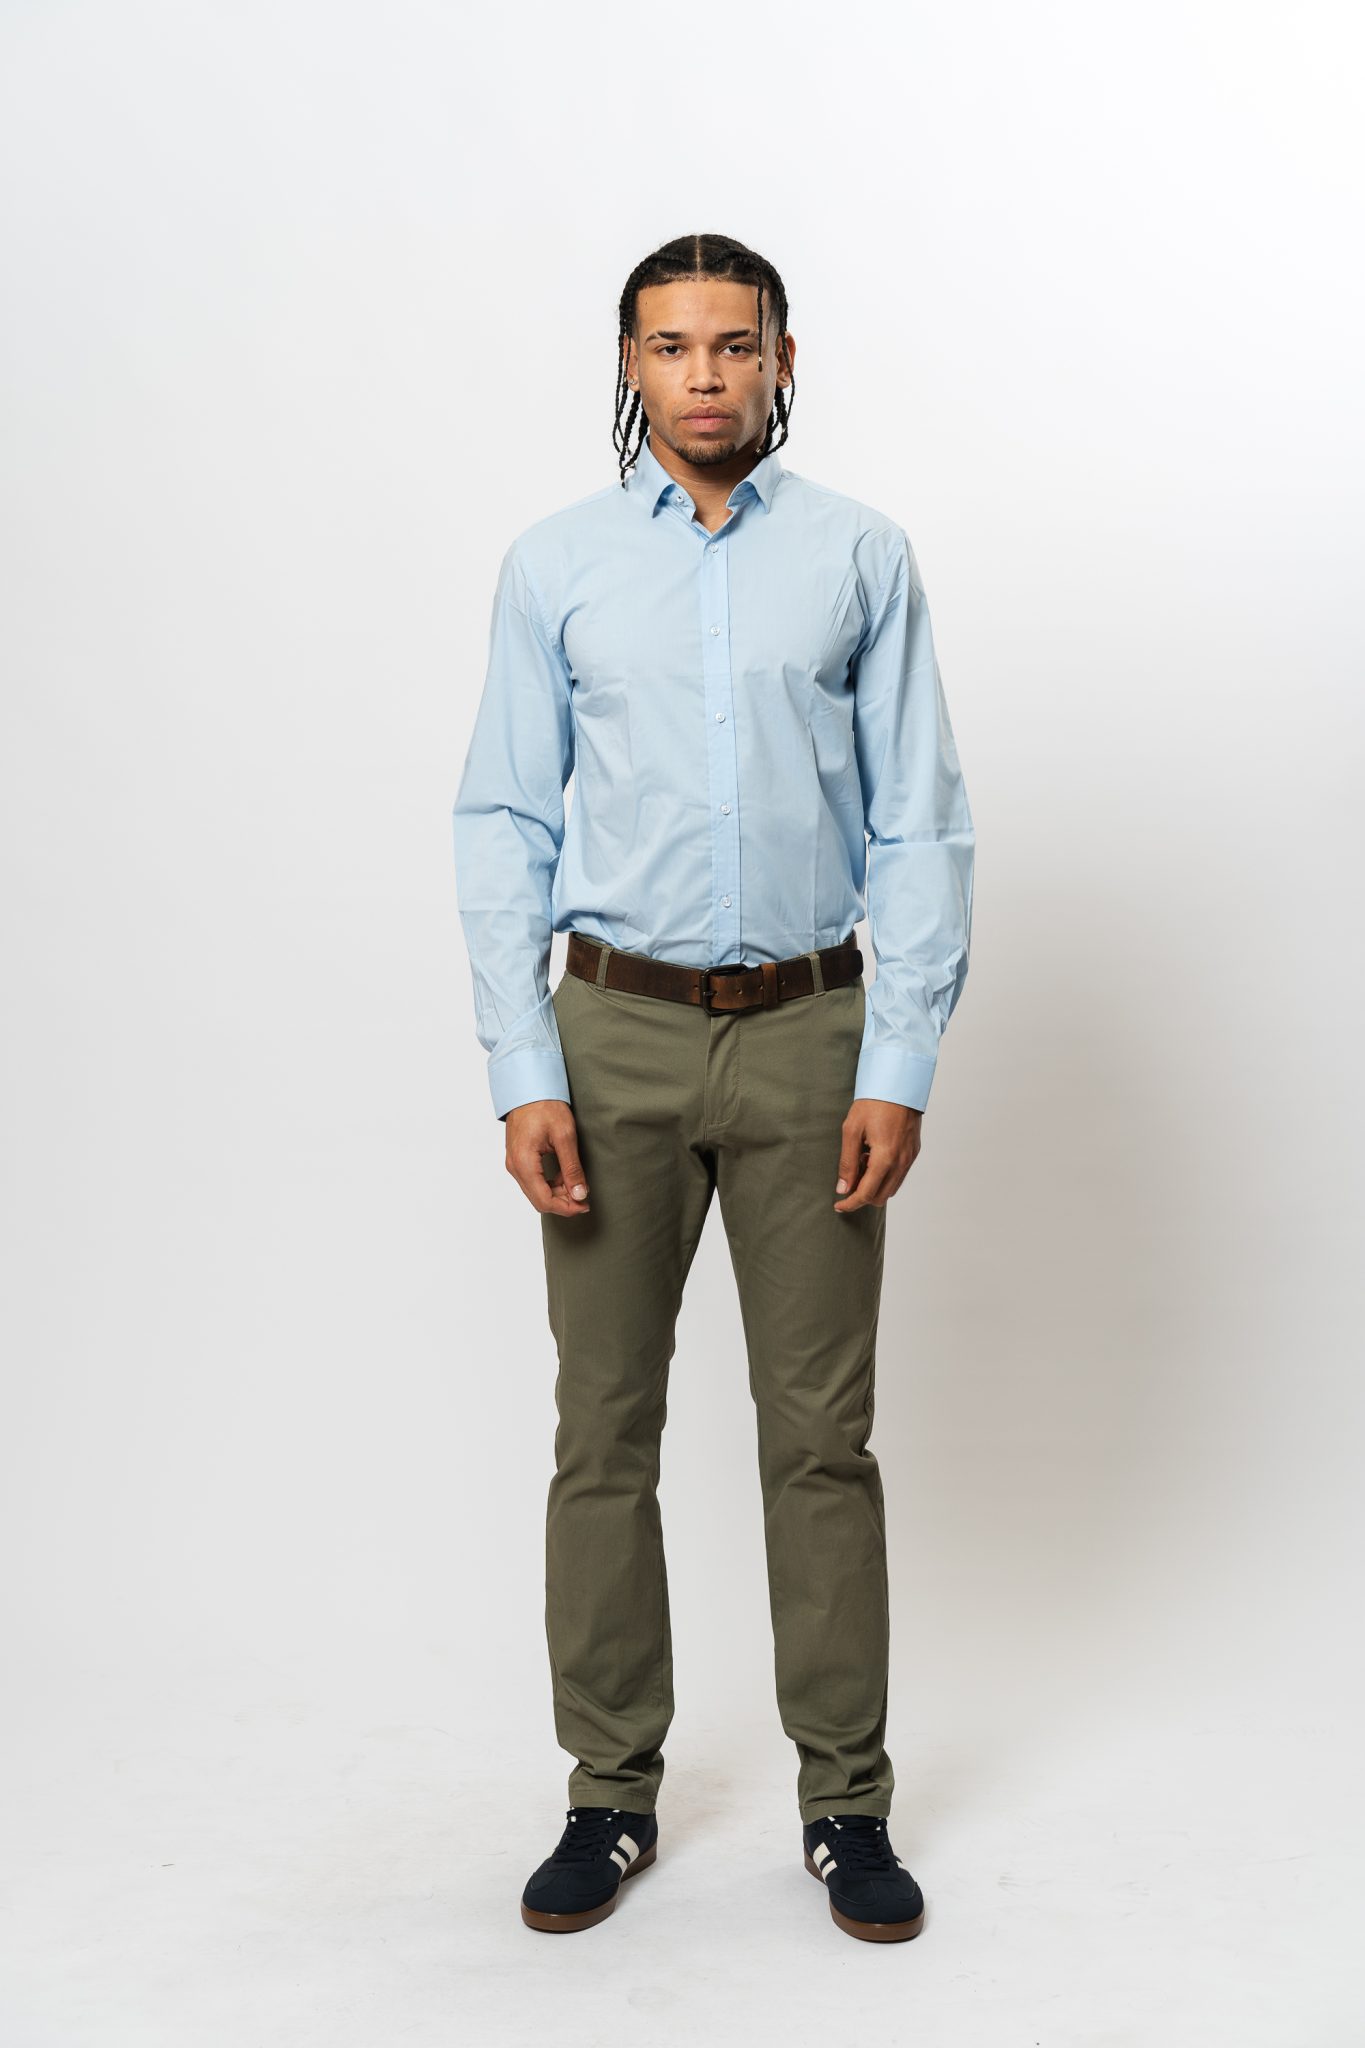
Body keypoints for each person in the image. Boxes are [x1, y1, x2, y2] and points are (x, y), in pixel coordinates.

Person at [452, 232, 975, 1943]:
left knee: (820, 1438)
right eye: (669, 346)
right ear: (629, 365)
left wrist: (897, 1057)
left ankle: (846, 1802)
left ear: (779, 360)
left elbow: (918, 822)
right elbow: (503, 818)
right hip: (608, 1033)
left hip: (813, 1032)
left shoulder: (858, 556)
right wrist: (521, 1062)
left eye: (731, 345)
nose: (702, 374)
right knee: (602, 1429)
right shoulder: (556, 565)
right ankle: (609, 1793)